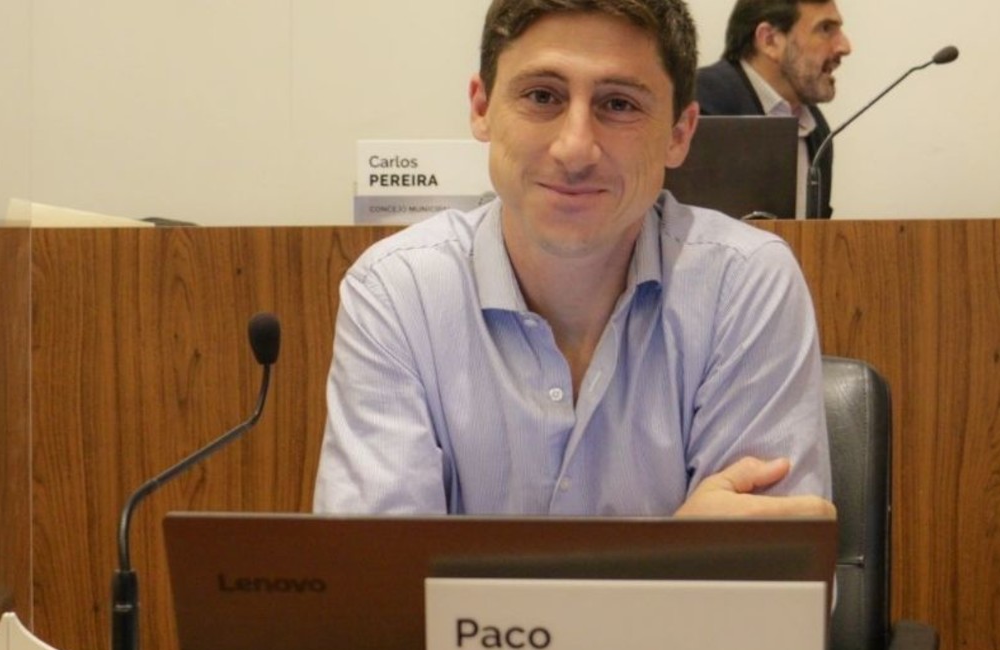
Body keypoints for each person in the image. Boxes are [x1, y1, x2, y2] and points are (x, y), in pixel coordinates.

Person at [313, 0, 832, 518]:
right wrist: (680, 549)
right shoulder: (397, 293)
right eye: (542, 96)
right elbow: (375, 570)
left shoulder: (745, 284)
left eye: (619, 104)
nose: (575, 148)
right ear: (482, 107)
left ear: (680, 134)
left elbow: (769, 567)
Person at [695, 0, 852, 219]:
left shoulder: (818, 132)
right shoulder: (698, 104)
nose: (845, 47)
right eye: (825, 29)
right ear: (770, 40)